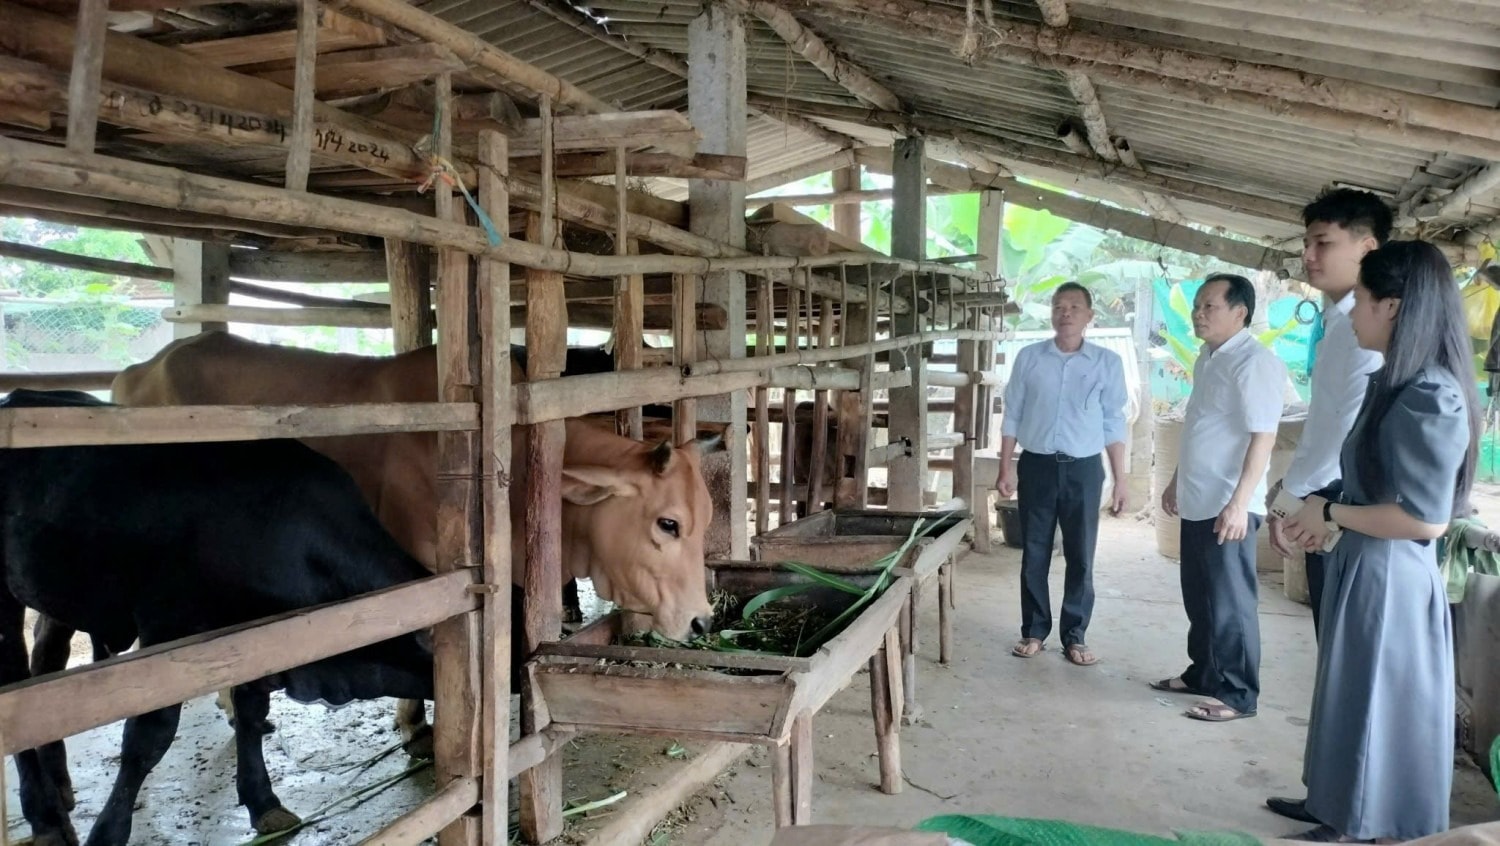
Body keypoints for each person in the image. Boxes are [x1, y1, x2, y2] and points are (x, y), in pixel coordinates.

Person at [1280, 241, 1478, 843]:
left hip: (1390, 574)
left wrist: (1330, 511)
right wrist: (1321, 508)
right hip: (1364, 562)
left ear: (1391, 306)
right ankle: (1334, 803)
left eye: (1362, 299)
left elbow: (1424, 519)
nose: (1353, 314)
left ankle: (1361, 823)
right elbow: (1372, 479)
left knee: (1374, 704)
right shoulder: (1394, 382)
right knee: (1348, 692)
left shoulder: (1430, 394)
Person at [1262, 188, 1392, 825]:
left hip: (1338, 504)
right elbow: (1324, 423)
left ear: (1368, 247)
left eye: (1324, 243)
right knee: (1334, 659)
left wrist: (1293, 501)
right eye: (1307, 242)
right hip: (1324, 497)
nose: (1309, 256)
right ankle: (1333, 798)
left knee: (1349, 665)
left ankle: (1351, 813)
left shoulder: (1364, 331)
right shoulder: (1342, 323)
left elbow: (1342, 431)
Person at [1154, 273, 1286, 722]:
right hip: (1198, 496)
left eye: (1209, 306)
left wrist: (1239, 503)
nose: (1198, 314)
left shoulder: (1255, 363)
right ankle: (1204, 673)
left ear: (1240, 312)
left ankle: (1238, 694)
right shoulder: (1208, 358)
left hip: (1229, 504)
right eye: (1197, 306)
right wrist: (1175, 480)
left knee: (1231, 603)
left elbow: (1264, 437)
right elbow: (1199, 424)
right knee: (1200, 597)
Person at [996, 282, 1128, 667]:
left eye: (1074, 307)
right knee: (1034, 550)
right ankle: (1034, 630)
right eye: (1058, 306)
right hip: (1036, 465)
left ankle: (1075, 635)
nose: (1065, 313)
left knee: (1080, 553)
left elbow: (1114, 422)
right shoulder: (1030, 358)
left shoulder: (1107, 363)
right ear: (1051, 313)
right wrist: (1005, 467)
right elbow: (1013, 414)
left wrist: (1121, 480)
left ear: (1089, 316)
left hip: (1084, 469)